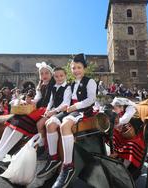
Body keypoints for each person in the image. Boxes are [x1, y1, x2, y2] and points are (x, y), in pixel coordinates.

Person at [42, 53, 97, 188]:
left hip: (84, 110)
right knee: (50, 124)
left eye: (78, 67)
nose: (76, 70)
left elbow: (91, 99)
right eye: (73, 68)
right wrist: (62, 108)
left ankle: (68, 166)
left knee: (65, 126)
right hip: (71, 109)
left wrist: (75, 106)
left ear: (84, 68)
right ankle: (53, 158)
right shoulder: (71, 84)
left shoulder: (90, 81)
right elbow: (67, 101)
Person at [0, 62, 55, 162]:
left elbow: (52, 101)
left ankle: (0, 155)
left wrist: (44, 110)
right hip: (38, 109)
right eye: (42, 73)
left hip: (46, 109)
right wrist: (30, 101)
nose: (44, 75)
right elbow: (38, 98)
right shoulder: (40, 85)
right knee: (14, 119)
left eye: (46, 73)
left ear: (51, 74)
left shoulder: (54, 85)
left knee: (22, 122)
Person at [37, 67, 71, 177]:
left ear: (65, 76)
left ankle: (54, 157)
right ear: (54, 77)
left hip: (64, 111)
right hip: (54, 111)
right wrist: (47, 111)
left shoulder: (67, 87)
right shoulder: (54, 87)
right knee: (44, 123)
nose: (59, 78)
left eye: (61, 76)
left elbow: (66, 104)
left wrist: (53, 112)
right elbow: (50, 102)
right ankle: (51, 155)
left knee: (49, 124)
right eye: (56, 76)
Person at [110, 97, 145, 169]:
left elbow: (124, 119)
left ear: (121, 106)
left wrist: (115, 125)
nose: (114, 109)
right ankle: (116, 154)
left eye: (115, 108)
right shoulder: (121, 109)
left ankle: (124, 168)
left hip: (136, 132)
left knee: (131, 145)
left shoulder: (130, 108)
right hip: (126, 130)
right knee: (112, 135)